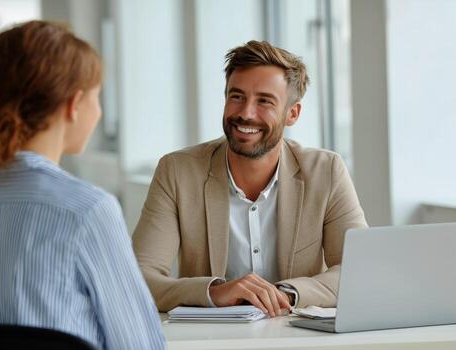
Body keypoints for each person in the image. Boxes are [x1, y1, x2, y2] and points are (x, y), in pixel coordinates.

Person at [0, 21, 164, 349]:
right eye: (97, 97)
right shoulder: (87, 210)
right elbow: (139, 344)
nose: (97, 111)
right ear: (74, 104)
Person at [133, 40, 368, 315]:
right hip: (210, 341)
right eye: (236, 96)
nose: (246, 113)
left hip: (298, 339)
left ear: (292, 113)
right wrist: (215, 292)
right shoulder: (177, 171)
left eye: (264, 101)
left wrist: (285, 294)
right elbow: (138, 278)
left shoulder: (326, 171)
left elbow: (359, 270)